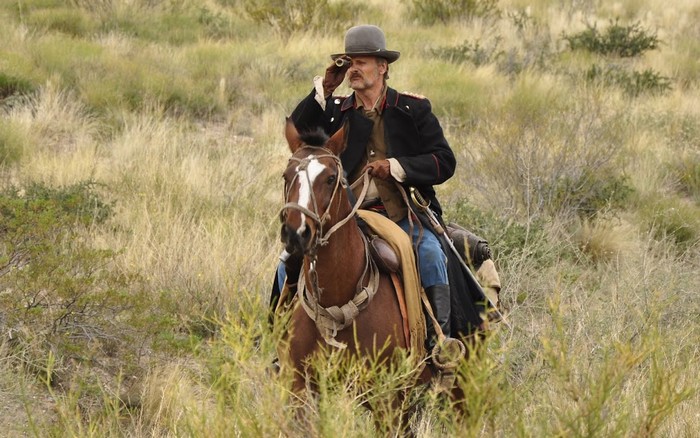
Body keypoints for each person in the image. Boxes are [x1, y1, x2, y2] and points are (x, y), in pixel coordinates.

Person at [274, 24, 457, 348]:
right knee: (286, 260)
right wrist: (325, 88)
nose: (353, 69)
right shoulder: (336, 110)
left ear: (382, 67)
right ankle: (273, 340)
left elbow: (444, 161)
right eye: (350, 63)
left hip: (402, 214)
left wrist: (396, 167)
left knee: (430, 255)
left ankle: (438, 343)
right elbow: (296, 135)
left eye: (361, 62)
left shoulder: (412, 109)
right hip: (346, 215)